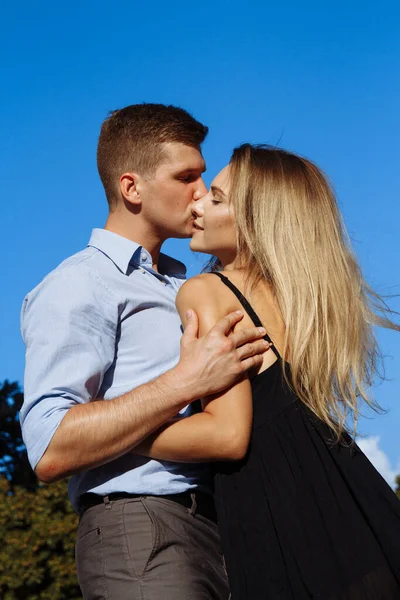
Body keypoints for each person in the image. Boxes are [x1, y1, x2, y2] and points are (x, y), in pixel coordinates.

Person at [20, 105, 271, 600]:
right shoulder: (79, 284)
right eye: (186, 176)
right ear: (132, 188)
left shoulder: (191, 281)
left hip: (228, 528)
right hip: (141, 529)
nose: (202, 192)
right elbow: (48, 446)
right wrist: (185, 382)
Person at [133, 143, 400, 599]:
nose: (196, 203)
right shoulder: (301, 299)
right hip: (354, 501)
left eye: (216, 198)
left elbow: (227, 435)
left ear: (255, 222)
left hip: (285, 513)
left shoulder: (207, 290)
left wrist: (115, 437)